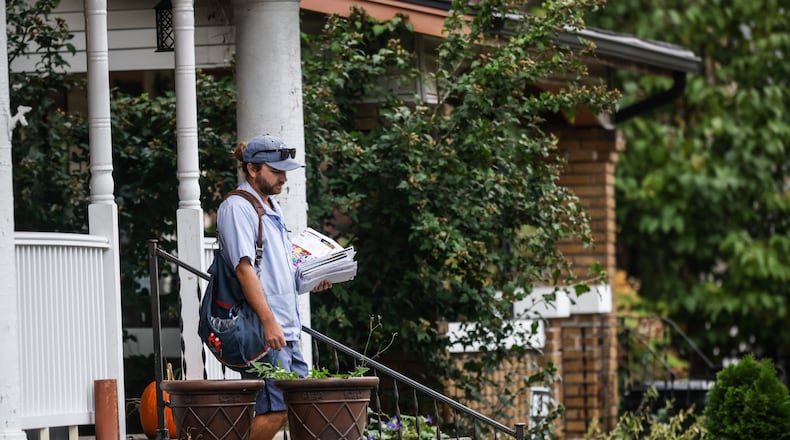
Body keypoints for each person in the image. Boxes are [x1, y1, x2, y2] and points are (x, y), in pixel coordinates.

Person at [216, 133, 332, 440]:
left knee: (302, 407)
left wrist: (311, 279)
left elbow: (276, 270)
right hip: (262, 329)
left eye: (284, 170)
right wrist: (269, 322)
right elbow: (244, 270)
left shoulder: (271, 207)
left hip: (286, 329)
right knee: (275, 410)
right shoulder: (238, 207)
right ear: (252, 169)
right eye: (276, 170)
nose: (283, 177)